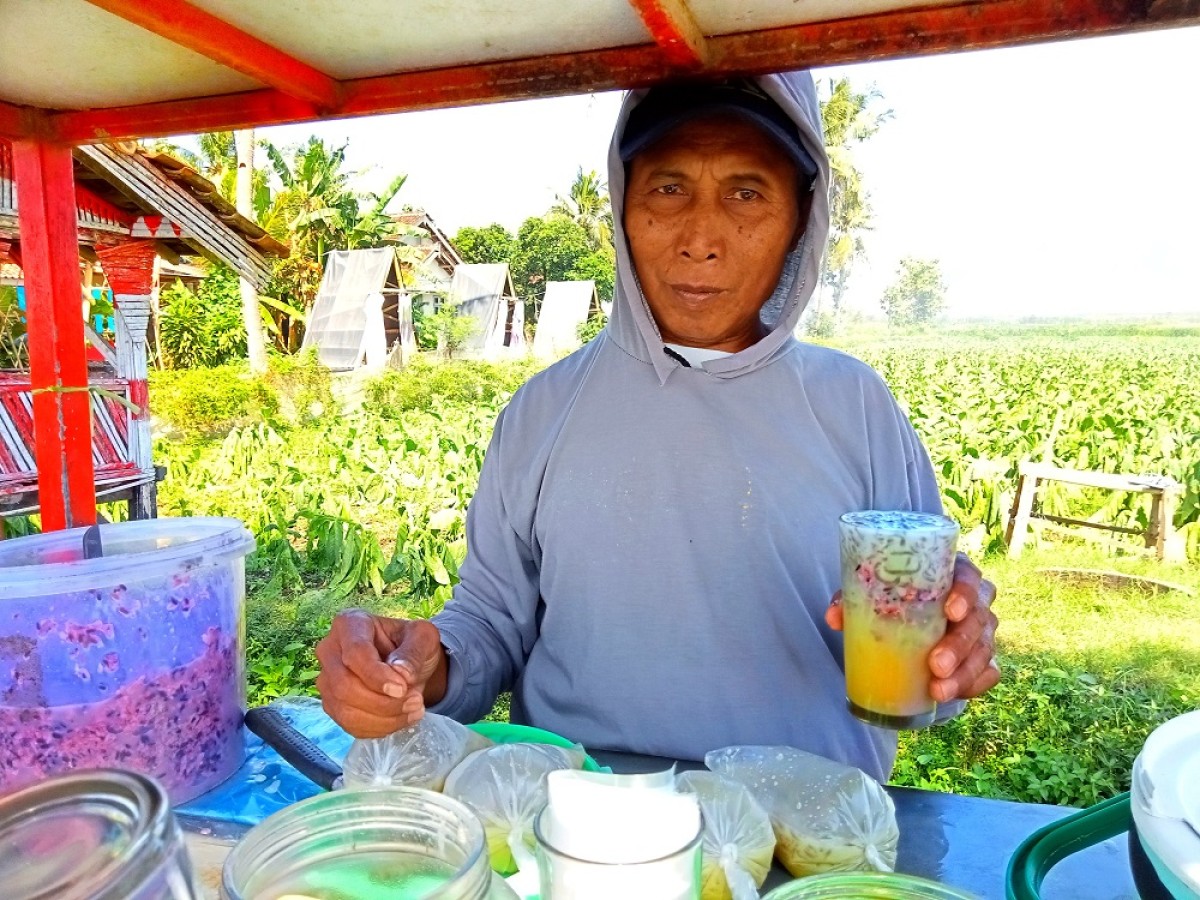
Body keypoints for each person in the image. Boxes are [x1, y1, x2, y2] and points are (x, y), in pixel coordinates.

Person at [316, 71, 999, 783]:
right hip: (580, 827)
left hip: (805, 838)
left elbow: (916, 672)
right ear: (621, 205)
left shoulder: (857, 407)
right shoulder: (544, 410)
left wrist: (947, 652)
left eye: (746, 192)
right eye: (669, 189)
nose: (700, 239)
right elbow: (491, 620)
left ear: (802, 215)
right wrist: (422, 670)